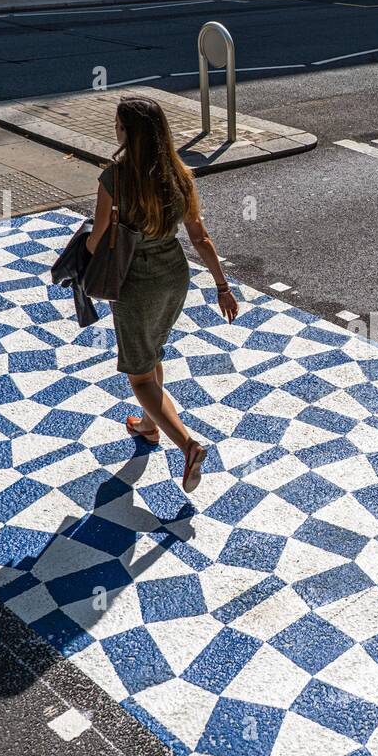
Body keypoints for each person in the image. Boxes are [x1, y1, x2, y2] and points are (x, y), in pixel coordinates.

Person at [86, 97, 238, 495]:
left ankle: (187, 445)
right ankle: (149, 424)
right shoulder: (179, 173)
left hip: (136, 282)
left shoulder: (115, 178)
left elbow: (98, 238)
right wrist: (223, 287)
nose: (115, 130)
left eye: (119, 125)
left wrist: (82, 259)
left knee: (139, 377)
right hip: (174, 276)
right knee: (152, 352)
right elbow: (200, 238)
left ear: (129, 132)